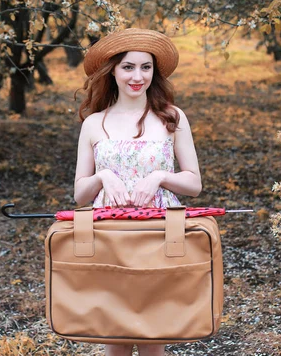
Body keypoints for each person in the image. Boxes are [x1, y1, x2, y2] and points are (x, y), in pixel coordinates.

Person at [73, 28, 202, 356]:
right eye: (128, 67)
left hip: (159, 234)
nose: (137, 76)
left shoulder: (171, 117)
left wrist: (160, 176)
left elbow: (194, 184)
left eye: (145, 67)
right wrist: (103, 175)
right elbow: (79, 195)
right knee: (115, 331)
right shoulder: (94, 124)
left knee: (152, 331)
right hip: (110, 235)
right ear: (112, 71)